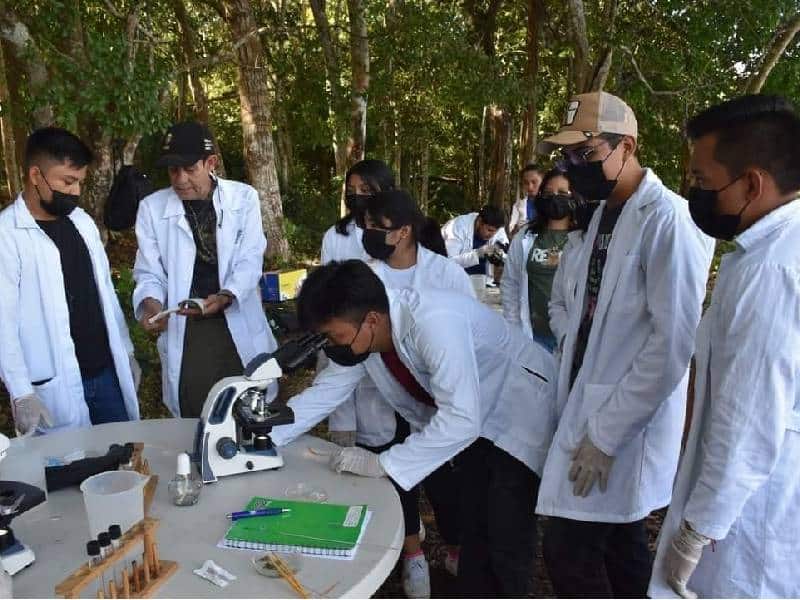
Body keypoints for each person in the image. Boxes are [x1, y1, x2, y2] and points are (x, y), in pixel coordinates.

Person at [270, 260, 557, 598]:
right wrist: (262, 438)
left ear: (371, 320)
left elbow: (462, 419)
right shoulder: (369, 337)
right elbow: (324, 393)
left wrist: (383, 463)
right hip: (475, 425)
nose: (333, 347)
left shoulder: (434, 323)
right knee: (476, 526)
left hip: (517, 417)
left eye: (336, 337)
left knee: (506, 532)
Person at [532, 91, 715, 598]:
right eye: (567, 156)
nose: (574, 166)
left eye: (586, 154)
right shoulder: (605, 214)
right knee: (620, 548)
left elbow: (673, 344)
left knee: (569, 552)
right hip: (587, 401)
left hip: (622, 425)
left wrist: (607, 435)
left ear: (626, 146)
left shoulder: (667, 219)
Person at [648, 95, 800, 599]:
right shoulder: (772, 250)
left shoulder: (771, 269)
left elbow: (747, 421)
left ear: (753, 183)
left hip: (752, 521)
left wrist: (698, 527)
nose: (695, 194)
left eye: (703, 183)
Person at [133, 121, 277, 417]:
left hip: (234, 312)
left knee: (247, 402)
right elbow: (149, 272)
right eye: (173, 170)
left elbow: (251, 258)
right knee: (196, 408)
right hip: (187, 325)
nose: (181, 179)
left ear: (210, 163)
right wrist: (151, 306)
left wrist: (226, 295)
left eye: (189, 169)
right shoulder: (152, 208)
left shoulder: (243, 198)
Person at [0, 127, 140, 433]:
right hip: (52, 386)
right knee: (70, 472)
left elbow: (105, 293)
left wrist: (127, 352)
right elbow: (3, 323)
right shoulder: (6, 235)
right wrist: (22, 391)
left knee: (126, 460)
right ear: (36, 175)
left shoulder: (82, 223)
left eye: (79, 182)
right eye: (67, 181)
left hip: (105, 375)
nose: (75, 192)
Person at [501, 167, 577, 351]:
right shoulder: (526, 236)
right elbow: (510, 283)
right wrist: (514, 328)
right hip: (534, 336)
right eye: (549, 193)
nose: (555, 198)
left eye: (562, 193)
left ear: (574, 197)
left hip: (573, 338)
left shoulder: (585, 237)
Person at [320, 159, 395, 267]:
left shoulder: (404, 234)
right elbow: (326, 281)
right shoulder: (334, 236)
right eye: (351, 191)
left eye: (365, 190)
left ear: (387, 190)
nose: (357, 196)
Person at [440, 205, 509, 281]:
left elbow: (504, 250)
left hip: (483, 282)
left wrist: (500, 253)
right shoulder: (457, 227)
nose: (492, 235)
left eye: (495, 232)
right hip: (452, 280)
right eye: (489, 230)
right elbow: (449, 263)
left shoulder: (497, 227)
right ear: (479, 221)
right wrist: (478, 254)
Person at [508, 164, 544, 234]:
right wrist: (517, 228)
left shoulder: (550, 203)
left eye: (534, 182)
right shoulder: (517, 206)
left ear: (543, 182)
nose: (530, 187)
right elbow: (511, 230)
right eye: (526, 183)